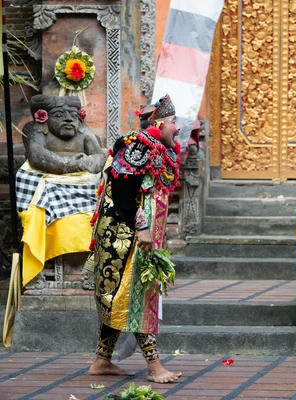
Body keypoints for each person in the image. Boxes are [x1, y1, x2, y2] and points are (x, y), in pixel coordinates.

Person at [86, 94, 182, 383]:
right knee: (138, 295)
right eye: (174, 122)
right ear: (161, 123)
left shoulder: (154, 147)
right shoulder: (140, 144)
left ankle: (102, 361)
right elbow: (124, 189)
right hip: (125, 236)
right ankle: (154, 366)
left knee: (122, 296)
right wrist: (141, 228)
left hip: (137, 235)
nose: (177, 128)